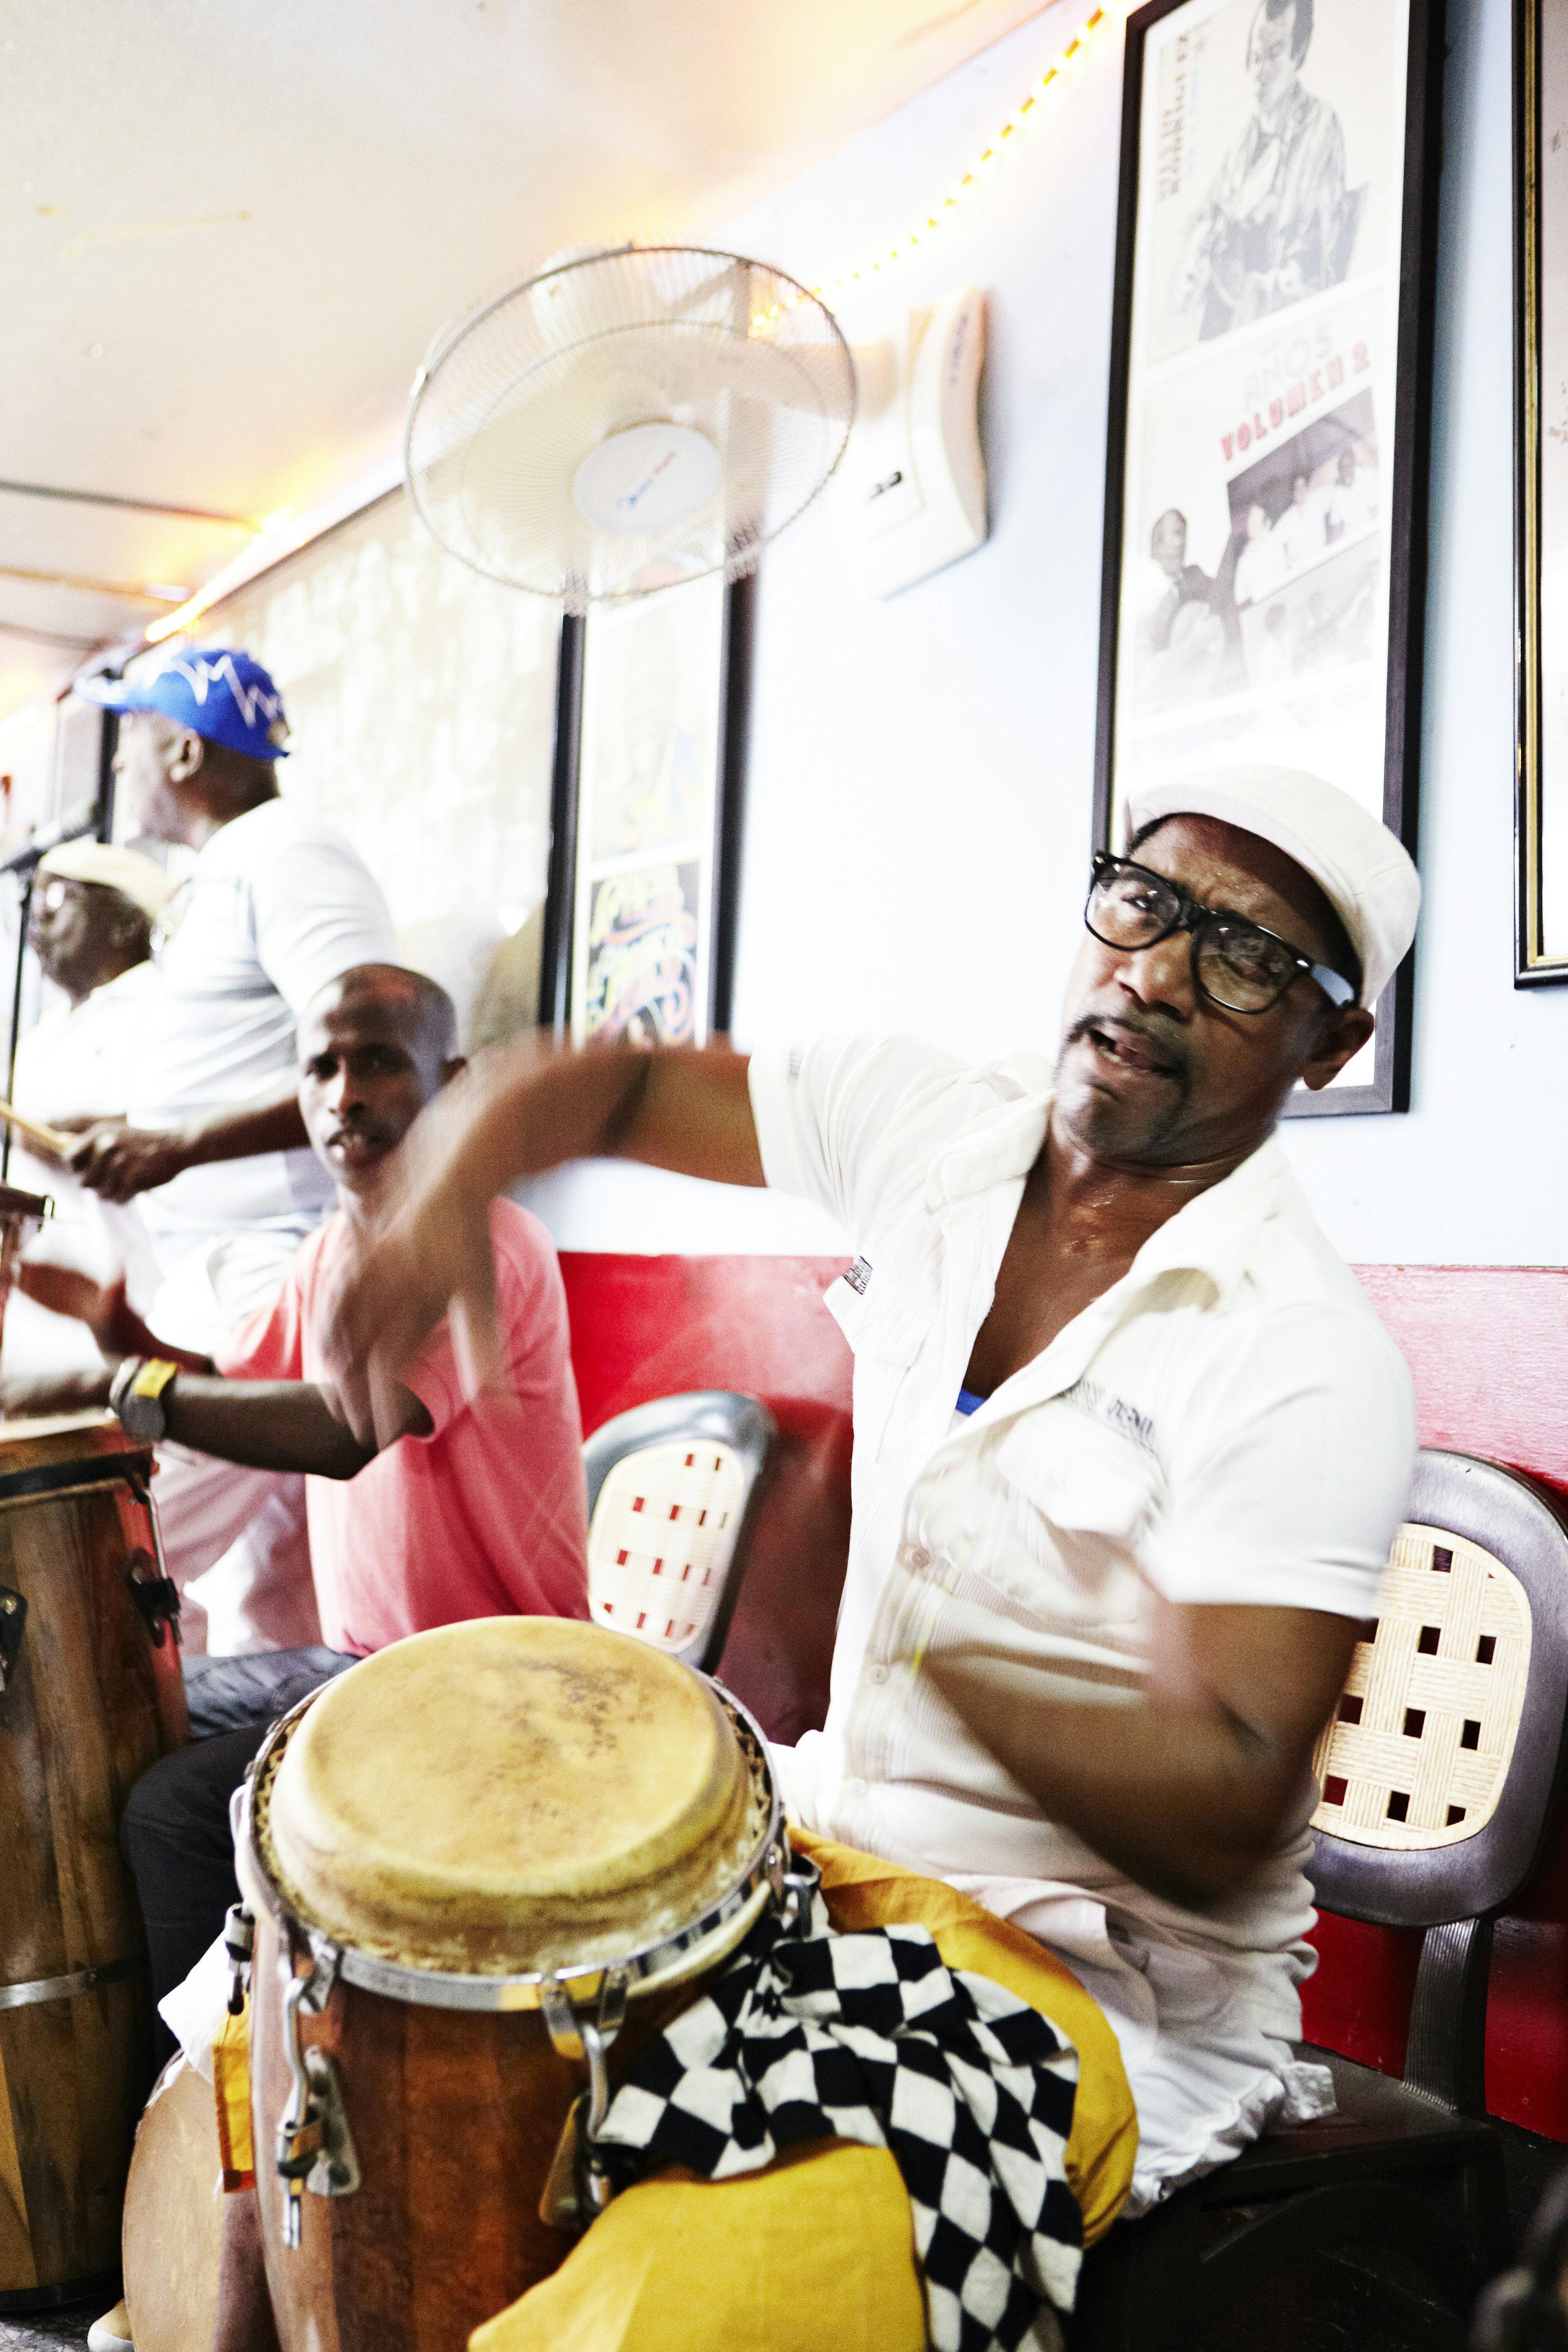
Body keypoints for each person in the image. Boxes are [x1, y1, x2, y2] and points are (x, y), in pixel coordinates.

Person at [313, 764, 1420, 2343]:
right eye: (1145, 902)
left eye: (1245, 957)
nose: (1159, 968)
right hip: (822, 1868)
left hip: (1084, 1988)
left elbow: (1234, 1799)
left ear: (1332, 1043)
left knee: (671, 2302)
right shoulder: (936, 1132)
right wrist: (447, 1173)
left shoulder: (1303, 1354)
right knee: (339, 2056)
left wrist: (934, 1641)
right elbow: (614, 1088)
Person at [24, 959, 588, 2026]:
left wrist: (128, 1386)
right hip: (370, 1665)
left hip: (489, 1683)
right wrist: (121, 1333)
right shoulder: (335, 1250)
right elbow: (247, 1392)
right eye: (321, 1068)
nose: (344, 1096)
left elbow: (342, 1432)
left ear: (453, 1081)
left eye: (378, 1062)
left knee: (175, 1810)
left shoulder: (479, 1242)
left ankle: (209, 2108)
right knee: (134, 1715)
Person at [66, 648, 401, 1652]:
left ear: (182, 749)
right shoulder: (230, 870)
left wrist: (176, 1143)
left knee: (112, 1547)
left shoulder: (285, 848)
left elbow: (373, 1047)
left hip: (261, 1268)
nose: (121, 766)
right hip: (234, 1268)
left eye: (131, 740)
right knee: (271, 1610)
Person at [1, 841, 170, 1400]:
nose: (40, 913)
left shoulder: (160, 1008)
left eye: (59, 895)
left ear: (124, 923)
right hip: (33, 1320)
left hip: (130, 1314)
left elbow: (153, 1133)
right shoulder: (42, 1034)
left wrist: (20, 1132)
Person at [1178, 0, 1360, 340]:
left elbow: (1317, 264)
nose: (1261, 72)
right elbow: (1199, 235)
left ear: (1300, 53)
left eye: (1274, 55)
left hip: (1284, 341)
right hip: (1220, 329)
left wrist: (1251, 286)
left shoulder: (1320, 127)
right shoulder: (1239, 144)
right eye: (1256, 57)